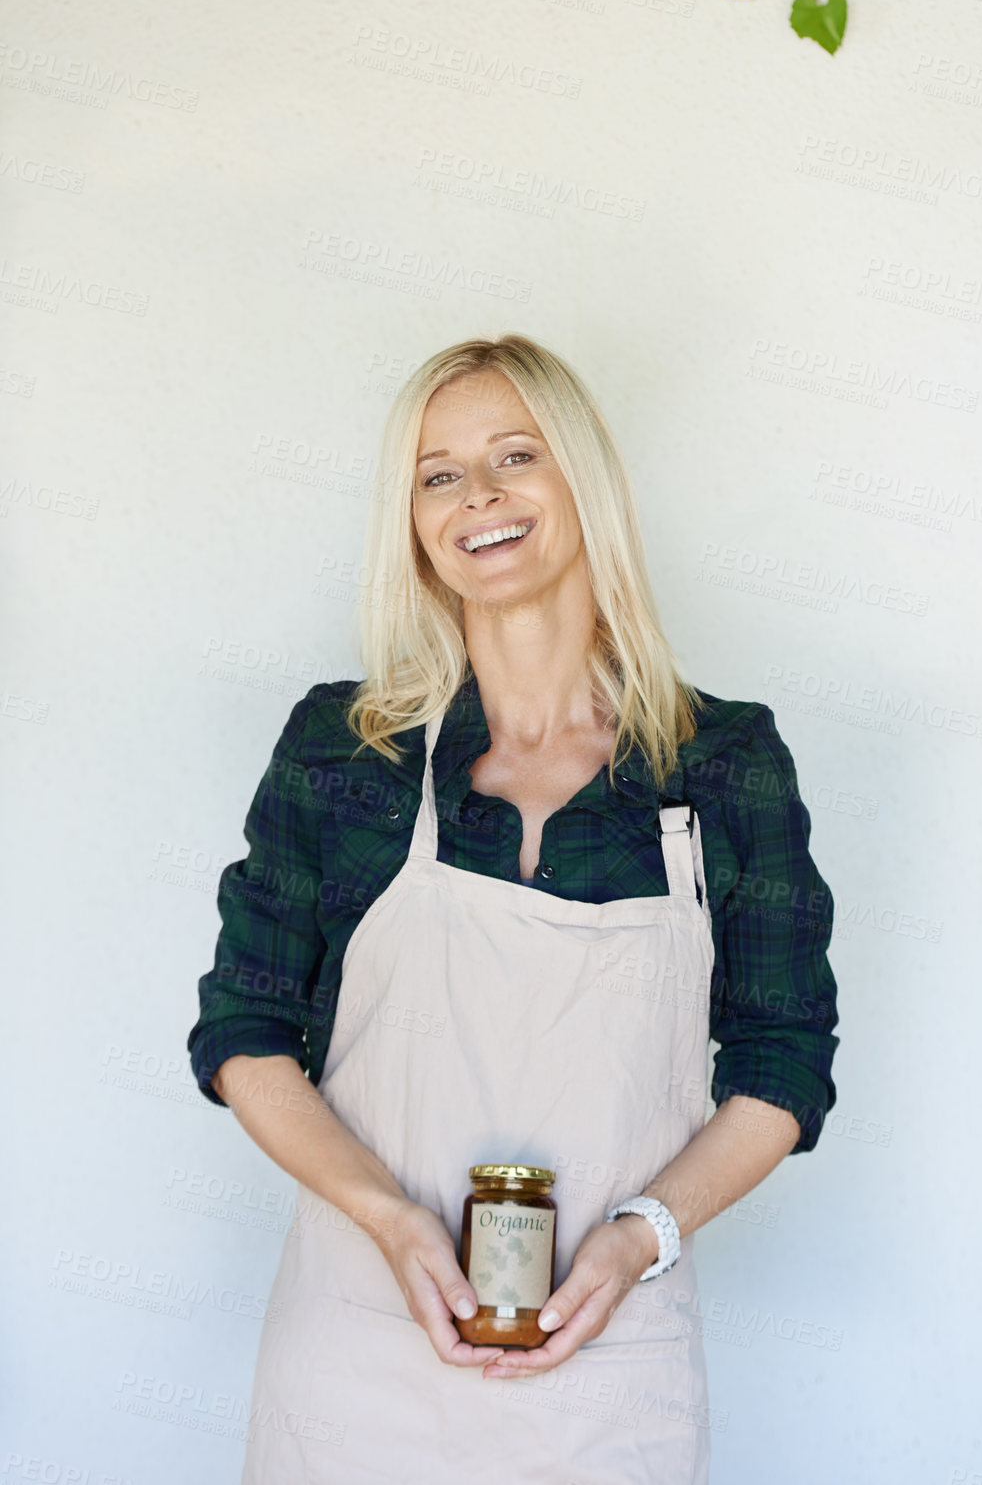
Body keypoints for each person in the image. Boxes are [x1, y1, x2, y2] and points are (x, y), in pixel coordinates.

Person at [186, 333, 840, 1483]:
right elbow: (244, 1032)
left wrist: (645, 1235)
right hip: (358, 1358)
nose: (476, 496)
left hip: (609, 1361)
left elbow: (782, 1062)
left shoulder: (722, 764)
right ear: (415, 525)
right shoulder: (349, 753)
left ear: (582, 479)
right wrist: (389, 1223)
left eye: (513, 456)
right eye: (437, 475)